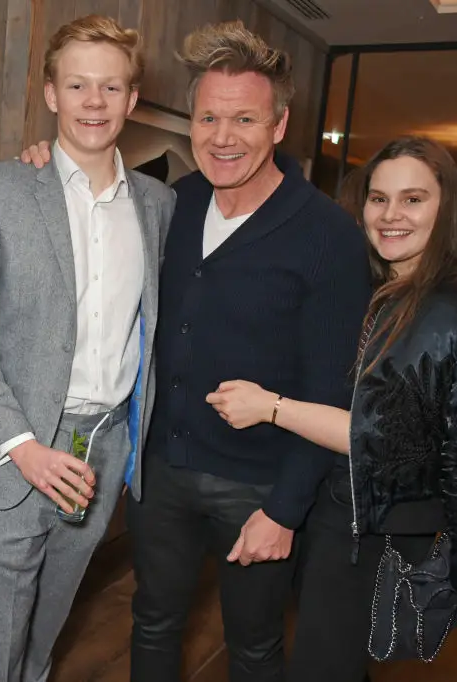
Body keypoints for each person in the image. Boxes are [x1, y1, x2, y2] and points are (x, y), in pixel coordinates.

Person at [21, 19, 370, 682]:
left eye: (244, 119)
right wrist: (48, 161)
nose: (223, 137)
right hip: (165, 474)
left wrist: (285, 509)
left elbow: (331, 389)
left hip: (260, 487)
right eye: (208, 118)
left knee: (255, 644)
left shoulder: (328, 236)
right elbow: (91, 205)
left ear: (279, 125)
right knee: (152, 621)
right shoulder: (170, 204)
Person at [212, 136, 457, 681]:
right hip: (334, 508)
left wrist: (271, 407)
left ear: (446, 208)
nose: (391, 214)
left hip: (380, 529)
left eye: (413, 199)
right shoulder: (377, 288)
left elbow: (393, 438)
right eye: (379, 199)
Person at [0, 15, 174, 682]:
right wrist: (22, 447)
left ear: (133, 100)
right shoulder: (3, 188)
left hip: (103, 449)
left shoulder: (160, 206)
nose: (94, 103)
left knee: (48, 626)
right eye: (78, 85)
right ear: (51, 94)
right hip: (20, 449)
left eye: (111, 87)